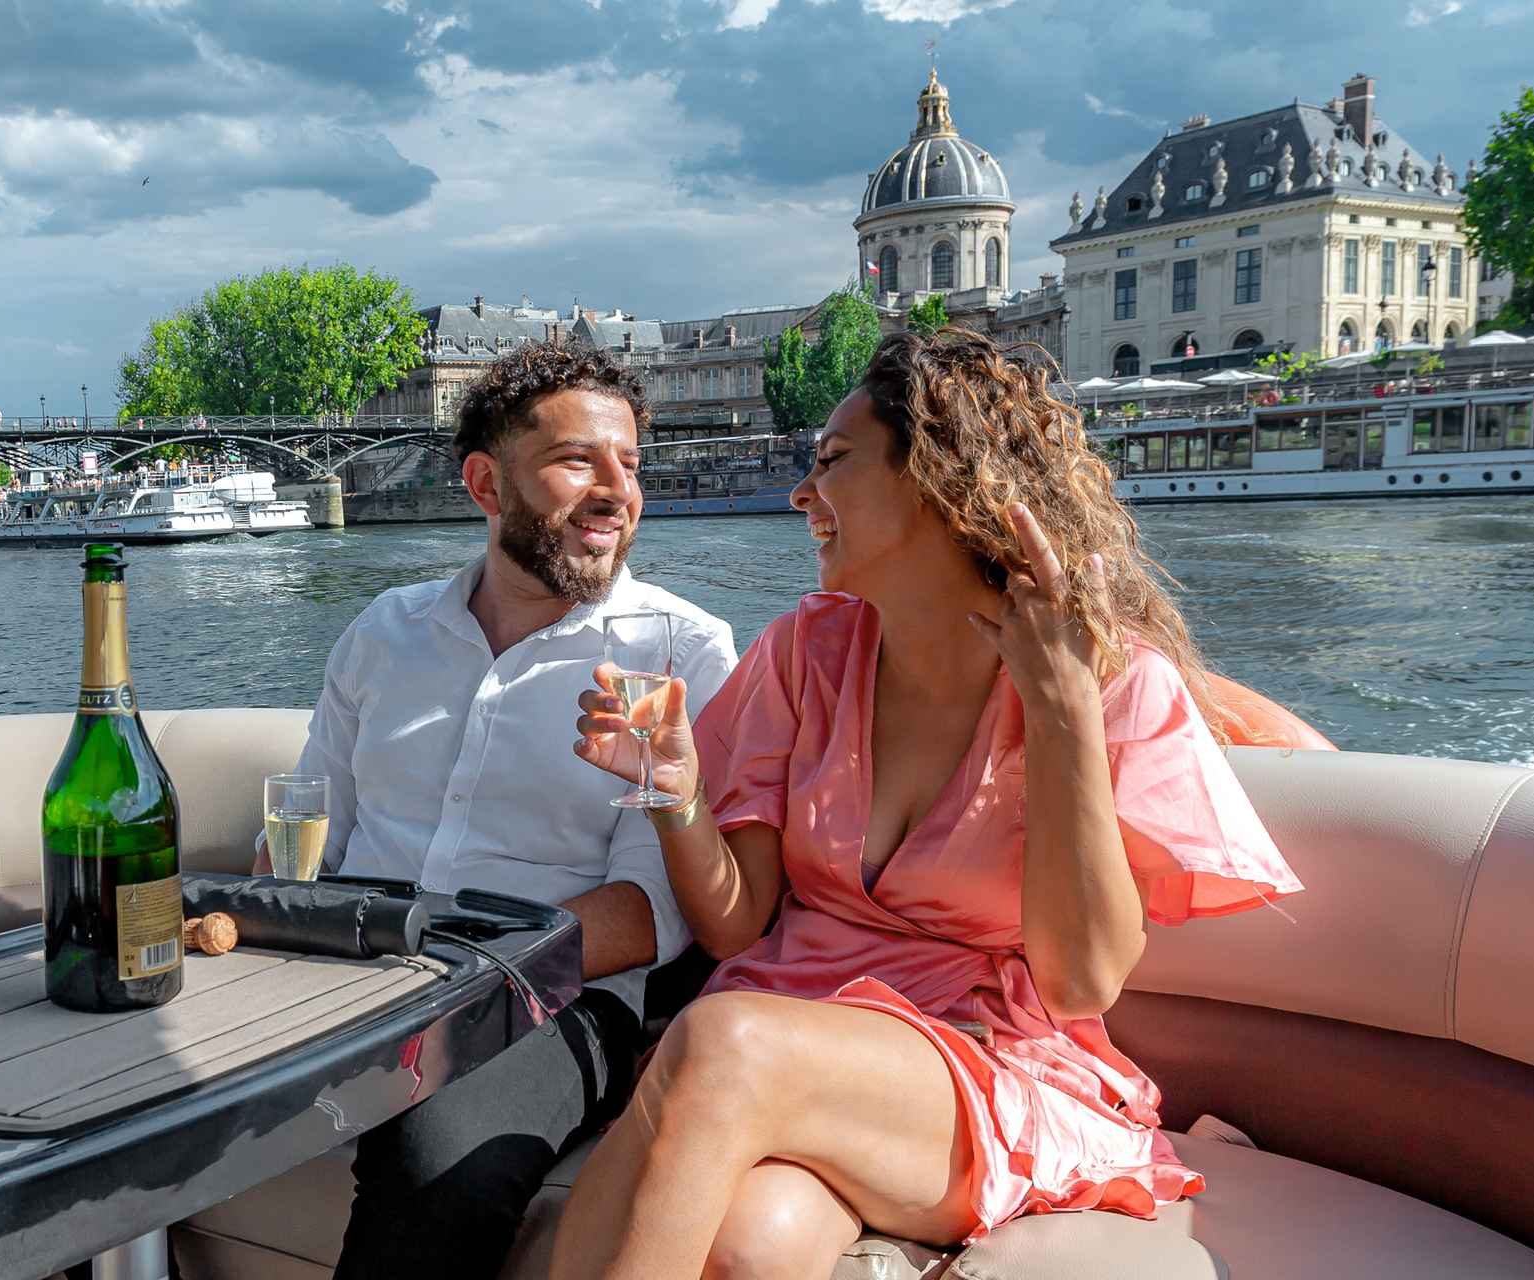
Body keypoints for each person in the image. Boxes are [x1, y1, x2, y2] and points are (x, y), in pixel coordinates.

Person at [558, 328, 1303, 1279]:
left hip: (979, 1055)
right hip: (794, 1031)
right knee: (753, 1246)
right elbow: (738, 925)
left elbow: (1081, 984)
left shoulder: (1114, 681)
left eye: (832, 461)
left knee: (721, 1041)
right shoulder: (803, 654)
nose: (801, 494)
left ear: (938, 481)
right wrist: (677, 792)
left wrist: (1061, 707)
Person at [259, 340, 737, 1279]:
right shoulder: (386, 632)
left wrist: (436, 967)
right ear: (486, 484)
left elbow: (649, 915)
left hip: (555, 997)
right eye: (577, 461)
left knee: (444, 1160)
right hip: (351, 971)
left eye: (630, 464)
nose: (617, 491)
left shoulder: (677, 654)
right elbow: (309, 836)